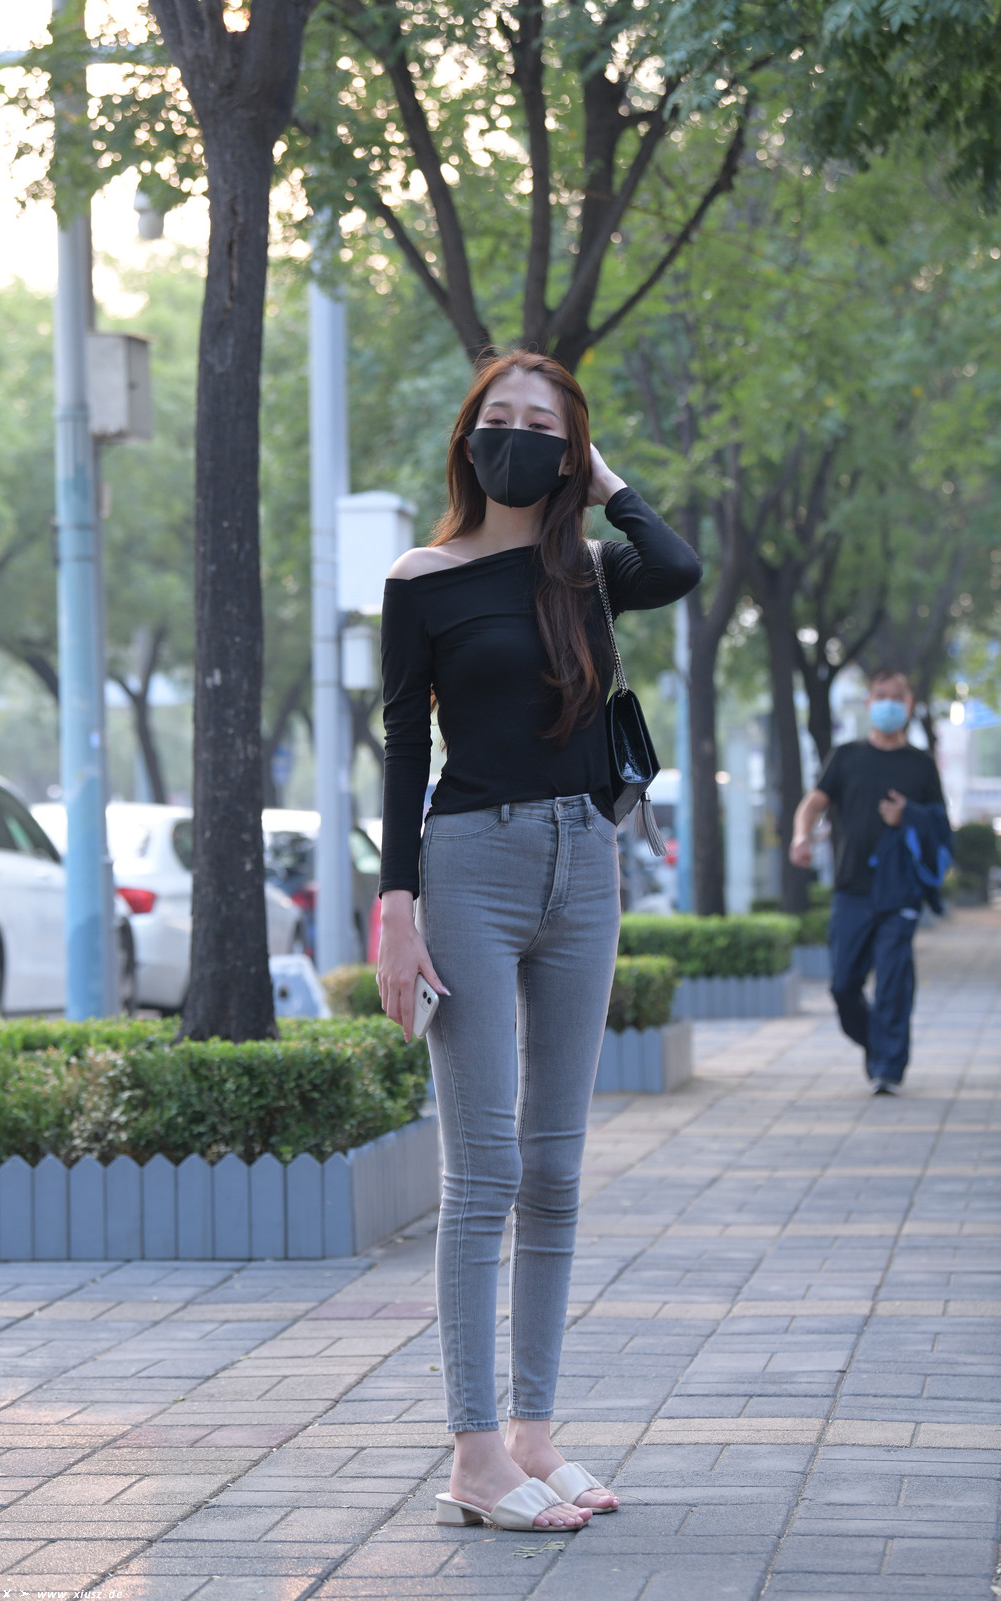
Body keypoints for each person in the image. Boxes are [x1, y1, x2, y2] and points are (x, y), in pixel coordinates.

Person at [376, 350, 701, 1532]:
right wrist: (396, 905)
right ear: (469, 436)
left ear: (568, 449)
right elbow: (402, 748)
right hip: (471, 862)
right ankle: (472, 1453)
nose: (515, 436)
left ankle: (532, 1436)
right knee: (485, 1173)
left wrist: (601, 478)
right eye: (498, 418)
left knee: (556, 1169)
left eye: (543, 425)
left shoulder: (588, 576)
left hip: (585, 860)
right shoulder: (420, 580)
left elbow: (677, 563)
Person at [790, 669, 950, 1096]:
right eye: (881, 695)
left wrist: (908, 815)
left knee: (894, 984)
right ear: (868, 703)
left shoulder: (921, 764)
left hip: (901, 893)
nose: (888, 704)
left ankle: (888, 1068)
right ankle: (880, 1045)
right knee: (843, 986)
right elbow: (814, 803)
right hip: (852, 891)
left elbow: (940, 826)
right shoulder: (846, 757)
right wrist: (801, 836)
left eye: (897, 697)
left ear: (909, 705)